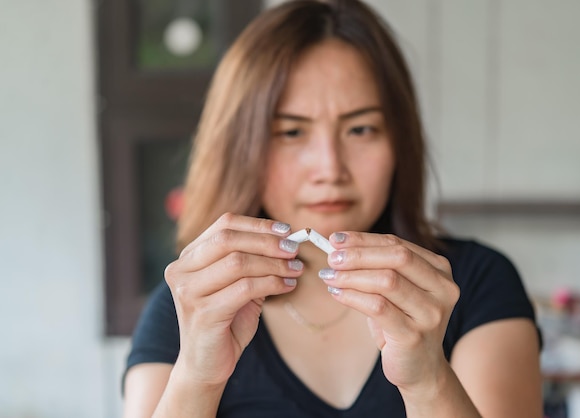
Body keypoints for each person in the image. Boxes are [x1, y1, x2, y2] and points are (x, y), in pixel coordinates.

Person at [122, 0, 543, 417]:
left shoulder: (477, 282)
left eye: (360, 128)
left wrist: (428, 381)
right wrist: (198, 377)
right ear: (240, 147)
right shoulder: (189, 306)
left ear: (400, 141)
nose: (330, 168)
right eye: (290, 132)